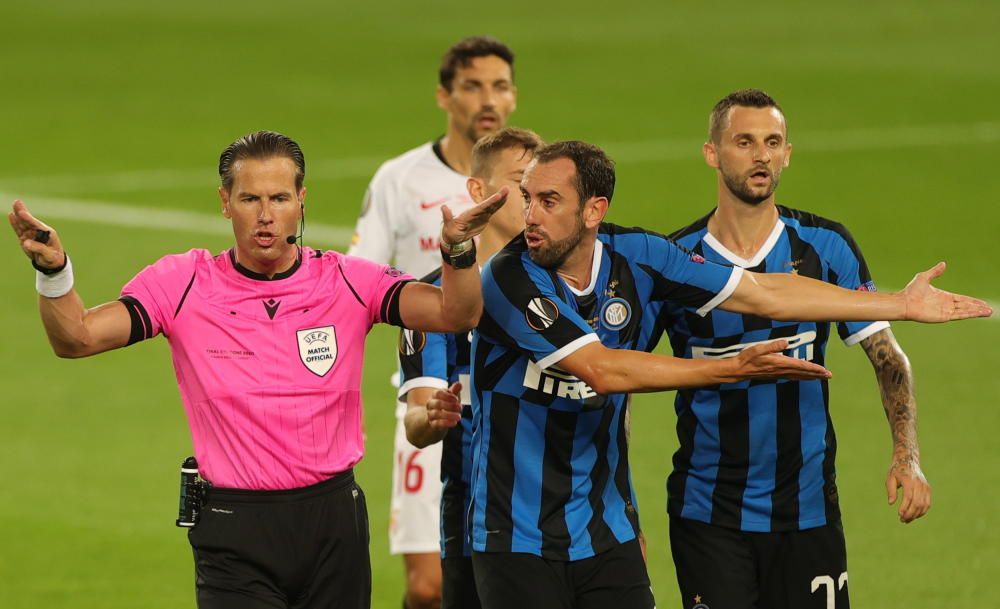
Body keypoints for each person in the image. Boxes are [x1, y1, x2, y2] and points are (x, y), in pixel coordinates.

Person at [465, 140, 991, 609]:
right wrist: (728, 369)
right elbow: (601, 370)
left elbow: (762, 291)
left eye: (548, 201)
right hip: (516, 537)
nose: (530, 215)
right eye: (528, 198)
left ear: (594, 210)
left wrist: (897, 302)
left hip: (605, 534)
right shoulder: (507, 278)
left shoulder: (639, 256)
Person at [8, 130, 510, 609]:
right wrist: (55, 272)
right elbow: (77, 338)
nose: (266, 216)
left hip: (333, 523)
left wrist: (458, 251)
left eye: (279, 198)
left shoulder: (347, 281)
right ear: (225, 202)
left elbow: (456, 313)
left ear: (301, 200)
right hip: (234, 527)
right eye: (250, 200)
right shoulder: (183, 283)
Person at [659, 88, 933, 609]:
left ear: (787, 153)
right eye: (744, 141)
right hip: (708, 514)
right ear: (712, 153)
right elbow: (623, 379)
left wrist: (907, 455)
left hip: (808, 510)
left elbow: (888, 358)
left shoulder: (826, 247)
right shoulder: (677, 262)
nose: (761, 155)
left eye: (773, 142)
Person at [347, 36, 518, 609]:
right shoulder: (400, 180)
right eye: (473, 86)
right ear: (446, 96)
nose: (487, 99)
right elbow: (357, 282)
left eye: (499, 85)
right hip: (430, 393)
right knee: (428, 586)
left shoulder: (523, 176)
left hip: (513, 401)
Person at [397, 127, 544, 609]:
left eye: (543, 188)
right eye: (522, 184)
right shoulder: (429, 302)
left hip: (577, 516)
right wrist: (431, 418)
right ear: (478, 191)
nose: (534, 200)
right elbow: (417, 424)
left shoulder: (571, 287)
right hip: (474, 521)